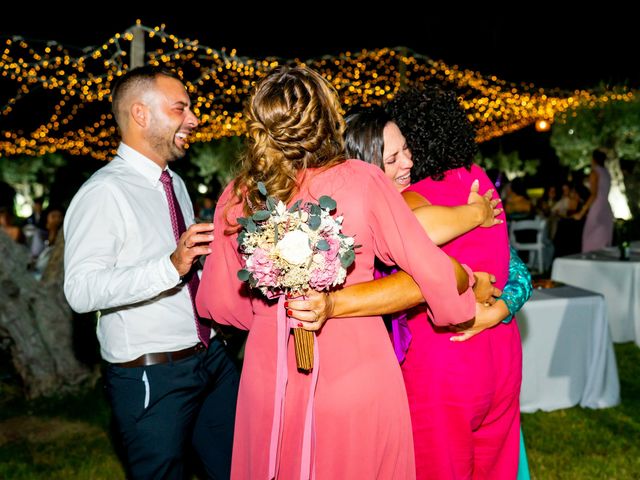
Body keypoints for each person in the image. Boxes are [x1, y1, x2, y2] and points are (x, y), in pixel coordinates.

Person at [196, 65, 479, 480]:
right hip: (355, 370)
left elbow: (219, 304)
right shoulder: (361, 180)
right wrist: (467, 286)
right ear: (329, 116)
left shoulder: (238, 195)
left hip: (268, 374)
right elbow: (431, 271)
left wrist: (270, 316)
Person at [63, 66, 239, 480]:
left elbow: (185, 260)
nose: (193, 119)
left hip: (212, 357)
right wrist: (170, 266)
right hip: (152, 373)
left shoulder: (174, 182)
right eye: (181, 108)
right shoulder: (102, 192)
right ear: (140, 114)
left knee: (241, 466)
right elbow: (81, 290)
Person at [388, 87, 522, 479]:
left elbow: (410, 233)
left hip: (444, 362)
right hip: (500, 355)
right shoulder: (481, 180)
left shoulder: (413, 198)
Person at [574, 149, 614, 252]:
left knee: (590, 237)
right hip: (607, 207)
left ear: (593, 159)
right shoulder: (606, 172)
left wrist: (581, 212)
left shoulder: (595, 172)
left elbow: (594, 195)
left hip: (598, 208)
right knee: (603, 240)